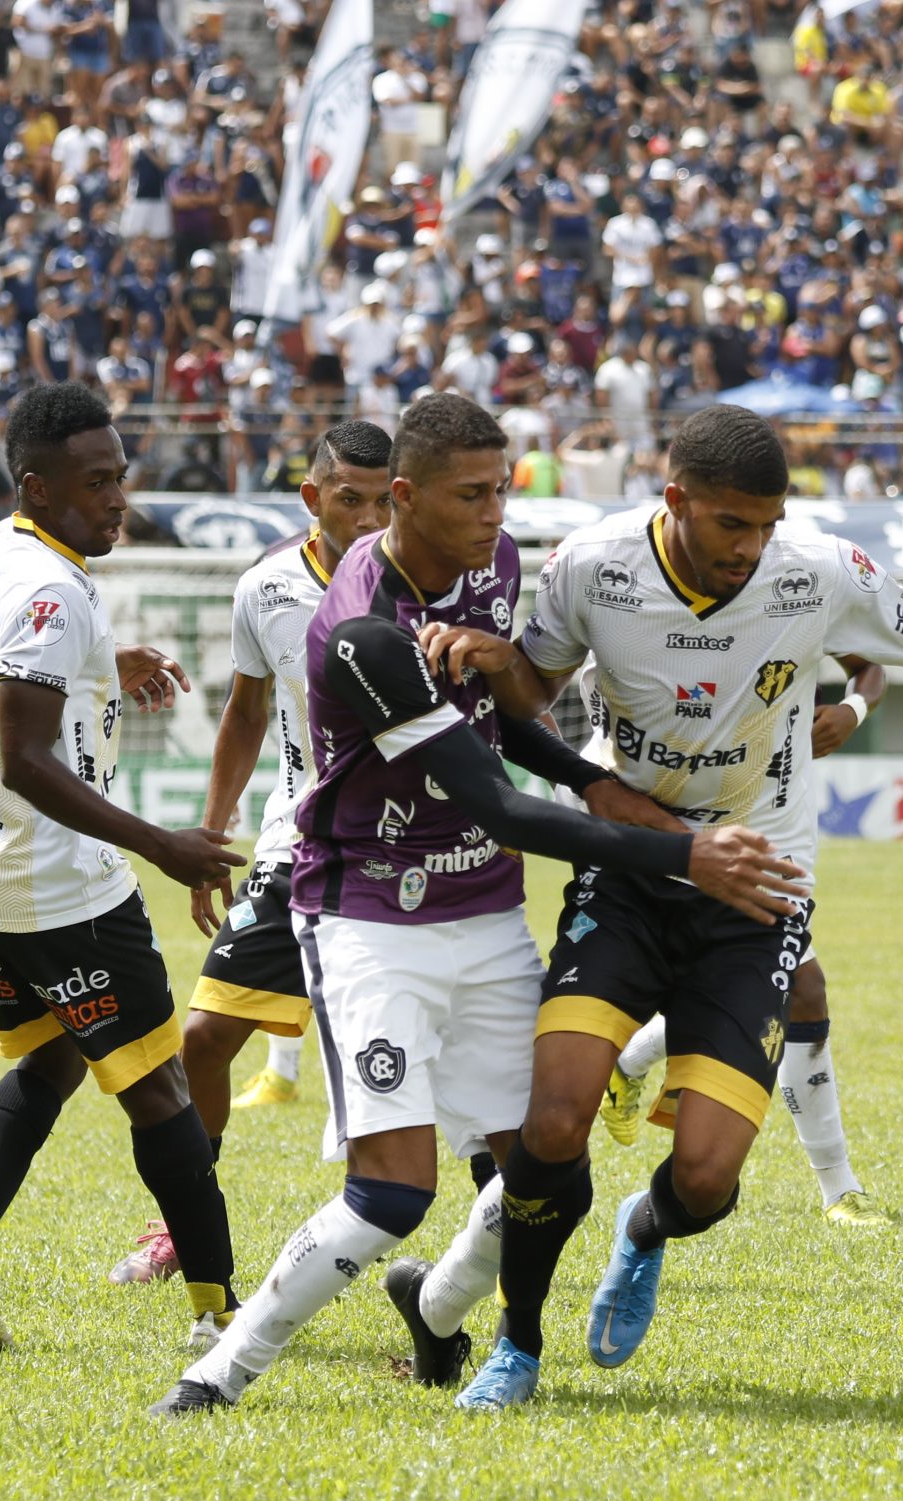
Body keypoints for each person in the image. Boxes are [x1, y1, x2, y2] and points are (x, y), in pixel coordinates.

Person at [423, 410, 903, 1411]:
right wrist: (500, 666)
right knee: (556, 1113)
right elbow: (535, 687)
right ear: (675, 504)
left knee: (704, 1179)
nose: (750, 548)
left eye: (765, 525)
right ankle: (517, 1347)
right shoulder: (592, 566)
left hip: (759, 886)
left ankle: (644, 1231)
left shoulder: (817, 570)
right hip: (632, 873)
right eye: (729, 526)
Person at [148, 394, 800, 1417]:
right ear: (403, 499)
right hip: (368, 911)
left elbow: (489, 721)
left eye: (502, 489)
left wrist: (586, 780)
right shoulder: (359, 631)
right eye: (471, 496)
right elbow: (493, 799)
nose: (496, 514)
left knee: (554, 1170)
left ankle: (440, 1308)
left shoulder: (490, 569)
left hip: (484, 909)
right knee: (391, 1195)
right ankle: (217, 1372)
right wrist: (677, 851)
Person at [0, 381, 248, 1354]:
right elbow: (23, 756)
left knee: (49, 1059)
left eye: (120, 477)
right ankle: (219, 1316)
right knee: (160, 1091)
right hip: (58, 885)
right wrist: (165, 846)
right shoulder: (51, 589)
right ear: (37, 484)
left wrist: (103, 660)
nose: (117, 499)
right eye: (95, 483)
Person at [110, 419, 396, 1290]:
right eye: (350, 499)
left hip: (403, 847)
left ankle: (492, 1245)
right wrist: (211, 830)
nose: (369, 516)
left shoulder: (423, 580)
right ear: (313, 498)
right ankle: (179, 1225)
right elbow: (244, 712)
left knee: (441, 1063)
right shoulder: (267, 586)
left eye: (386, 501)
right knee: (201, 1040)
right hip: (299, 841)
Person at [595, 653, 898, 1227]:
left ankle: (838, 1189)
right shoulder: (627, 599)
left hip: (765, 834)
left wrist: (854, 709)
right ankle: (837, 1187)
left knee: (803, 989)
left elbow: (870, 666)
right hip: (661, 843)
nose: (746, 557)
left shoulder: (800, 581)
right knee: (782, 990)